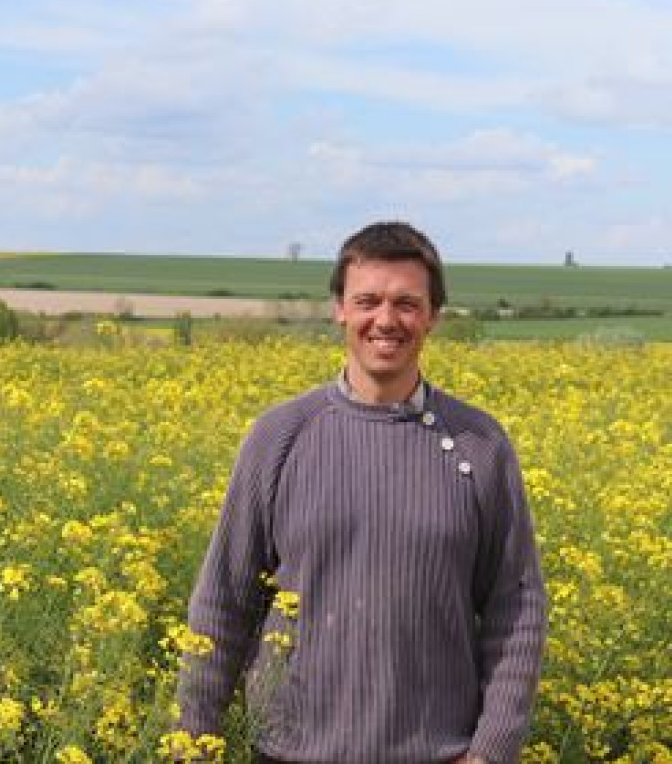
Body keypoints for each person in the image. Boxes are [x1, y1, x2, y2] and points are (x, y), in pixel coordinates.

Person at [177, 221, 547, 764]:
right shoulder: (280, 437)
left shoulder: (480, 444)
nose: (386, 320)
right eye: (367, 301)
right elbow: (222, 603)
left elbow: (518, 608)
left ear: (433, 317)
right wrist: (192, 745)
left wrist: (491, 752)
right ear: (340, 310)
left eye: (406, 304)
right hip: (289, 752)